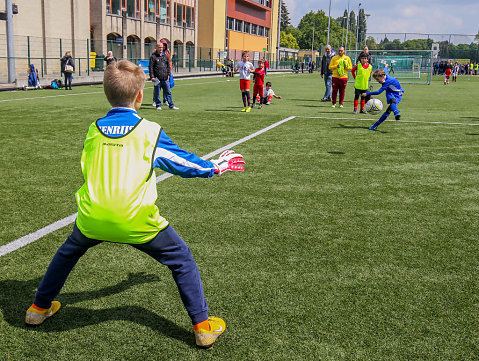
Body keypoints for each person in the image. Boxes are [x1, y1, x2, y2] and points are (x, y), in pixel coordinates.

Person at [24, 60, 246, 349]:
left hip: (92, 217)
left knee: (68, 253)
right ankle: (203, 327)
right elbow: (183, 164)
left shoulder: (92, 129)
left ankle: (38, 309)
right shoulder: (148, 131)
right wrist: (216, 167)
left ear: (107, 93)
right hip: (135, 219)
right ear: (140, 96)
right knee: (181, 259)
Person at [364, 64, 405, 131]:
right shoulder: (384, 74)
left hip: (398, 94)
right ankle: (396, 113)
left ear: (383, 76)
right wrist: (386, 66)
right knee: (392, 102)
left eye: (378, 79)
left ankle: (396, 113)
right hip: (389, 92)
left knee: (389, 109)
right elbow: (385, 70)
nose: (377, 81)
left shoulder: (388, 82)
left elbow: (378, 92)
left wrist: (367, 93)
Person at [149, 41, 178, 110]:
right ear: (156, 48)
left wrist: (168, 74)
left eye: (162, 47)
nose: (161, 49)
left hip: (165, 78)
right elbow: (151, 67)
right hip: (157, 78)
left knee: (168, 92)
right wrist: (152, 77)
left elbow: (168, 66)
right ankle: (158, 105)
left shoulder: (165, 56)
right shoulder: (153, 57)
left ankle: (171, 105)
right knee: (157, 93)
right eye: (159, 47)